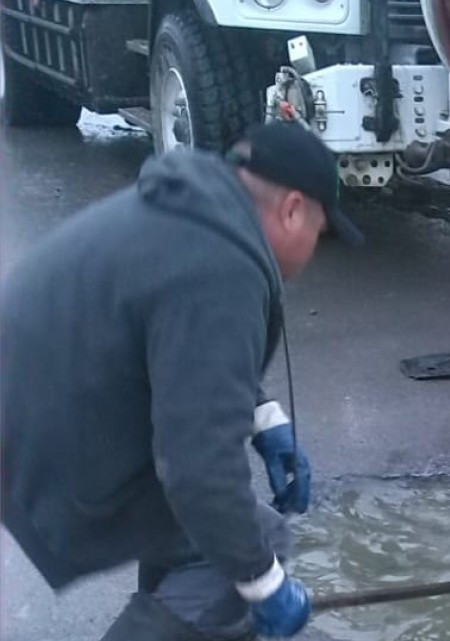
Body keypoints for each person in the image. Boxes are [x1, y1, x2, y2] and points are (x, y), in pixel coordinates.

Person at [0, 122, 364, 640]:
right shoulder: (223, 268)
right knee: (242, 546)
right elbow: (199, 470)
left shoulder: (195, 216)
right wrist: (263, 583)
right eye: (320, 234)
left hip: (39, 402)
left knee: (211, 546)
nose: (311, 253)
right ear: (291, 210)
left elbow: (181, 349)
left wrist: (264, 417)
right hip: (41, 439)